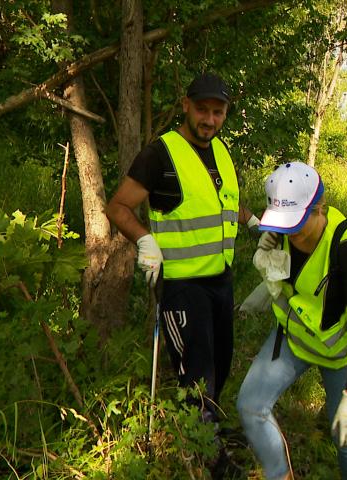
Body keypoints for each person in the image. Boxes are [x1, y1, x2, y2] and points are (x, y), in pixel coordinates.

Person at [106, 72, 260, 424]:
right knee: (196, 376)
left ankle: (211, 437)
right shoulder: (160, 155)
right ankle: (204, 454)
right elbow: (117, 207)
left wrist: (253, 223)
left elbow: (219, 205)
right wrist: (144, 240)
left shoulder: (220, 149)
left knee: (221, 364)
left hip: (220, 280)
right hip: (182, 288)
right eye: (202, 110)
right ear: (186, 105)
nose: (209, 120)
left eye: (218, 112)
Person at [238, 162, 347, 480]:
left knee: (345, 434)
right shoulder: (281, 228)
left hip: (337, 351)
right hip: (293, 338)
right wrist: (267, 258)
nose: (291, 234)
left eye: (297, 225)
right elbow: (287, 280)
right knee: (250, 404)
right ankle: (280, 474)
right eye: (285, 226)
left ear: (319, 209)